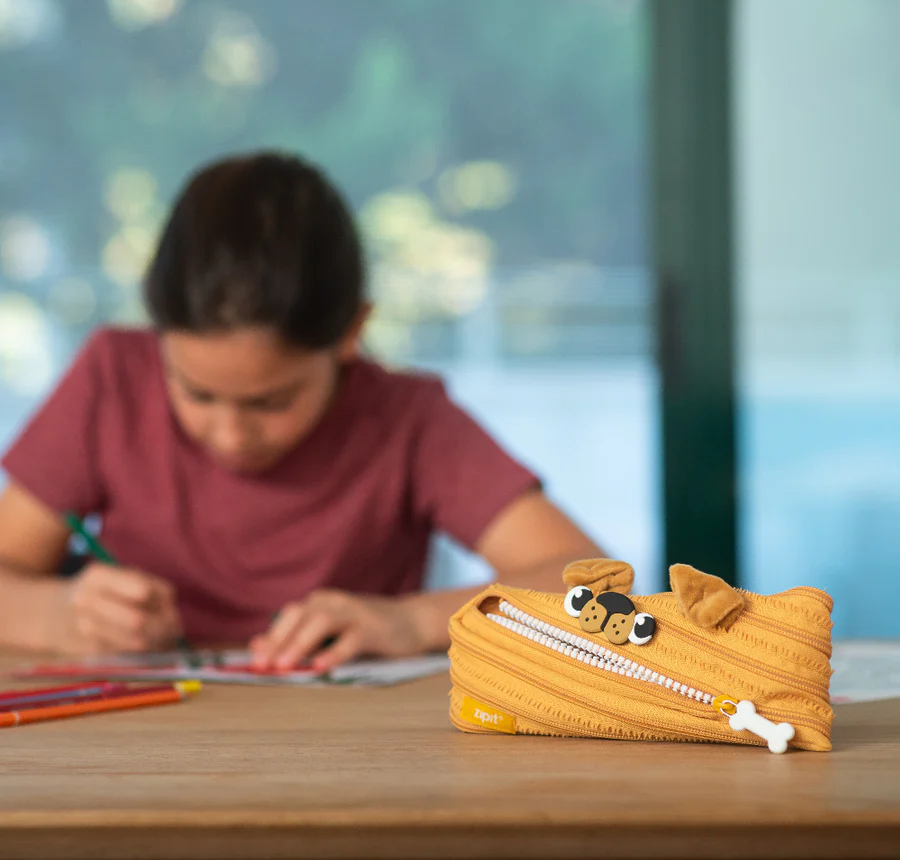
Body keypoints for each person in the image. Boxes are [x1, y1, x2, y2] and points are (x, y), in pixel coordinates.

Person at [0, 151, 604, 672]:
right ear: (159, 336)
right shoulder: (113, 379)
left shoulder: (407, 419)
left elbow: (593, 585)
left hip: (343, 756)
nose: (231, 435)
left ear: (351, 333)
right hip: (137, 746)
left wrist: (410, 622)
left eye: (271, 401)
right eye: (197, 393)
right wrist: (56, 615)